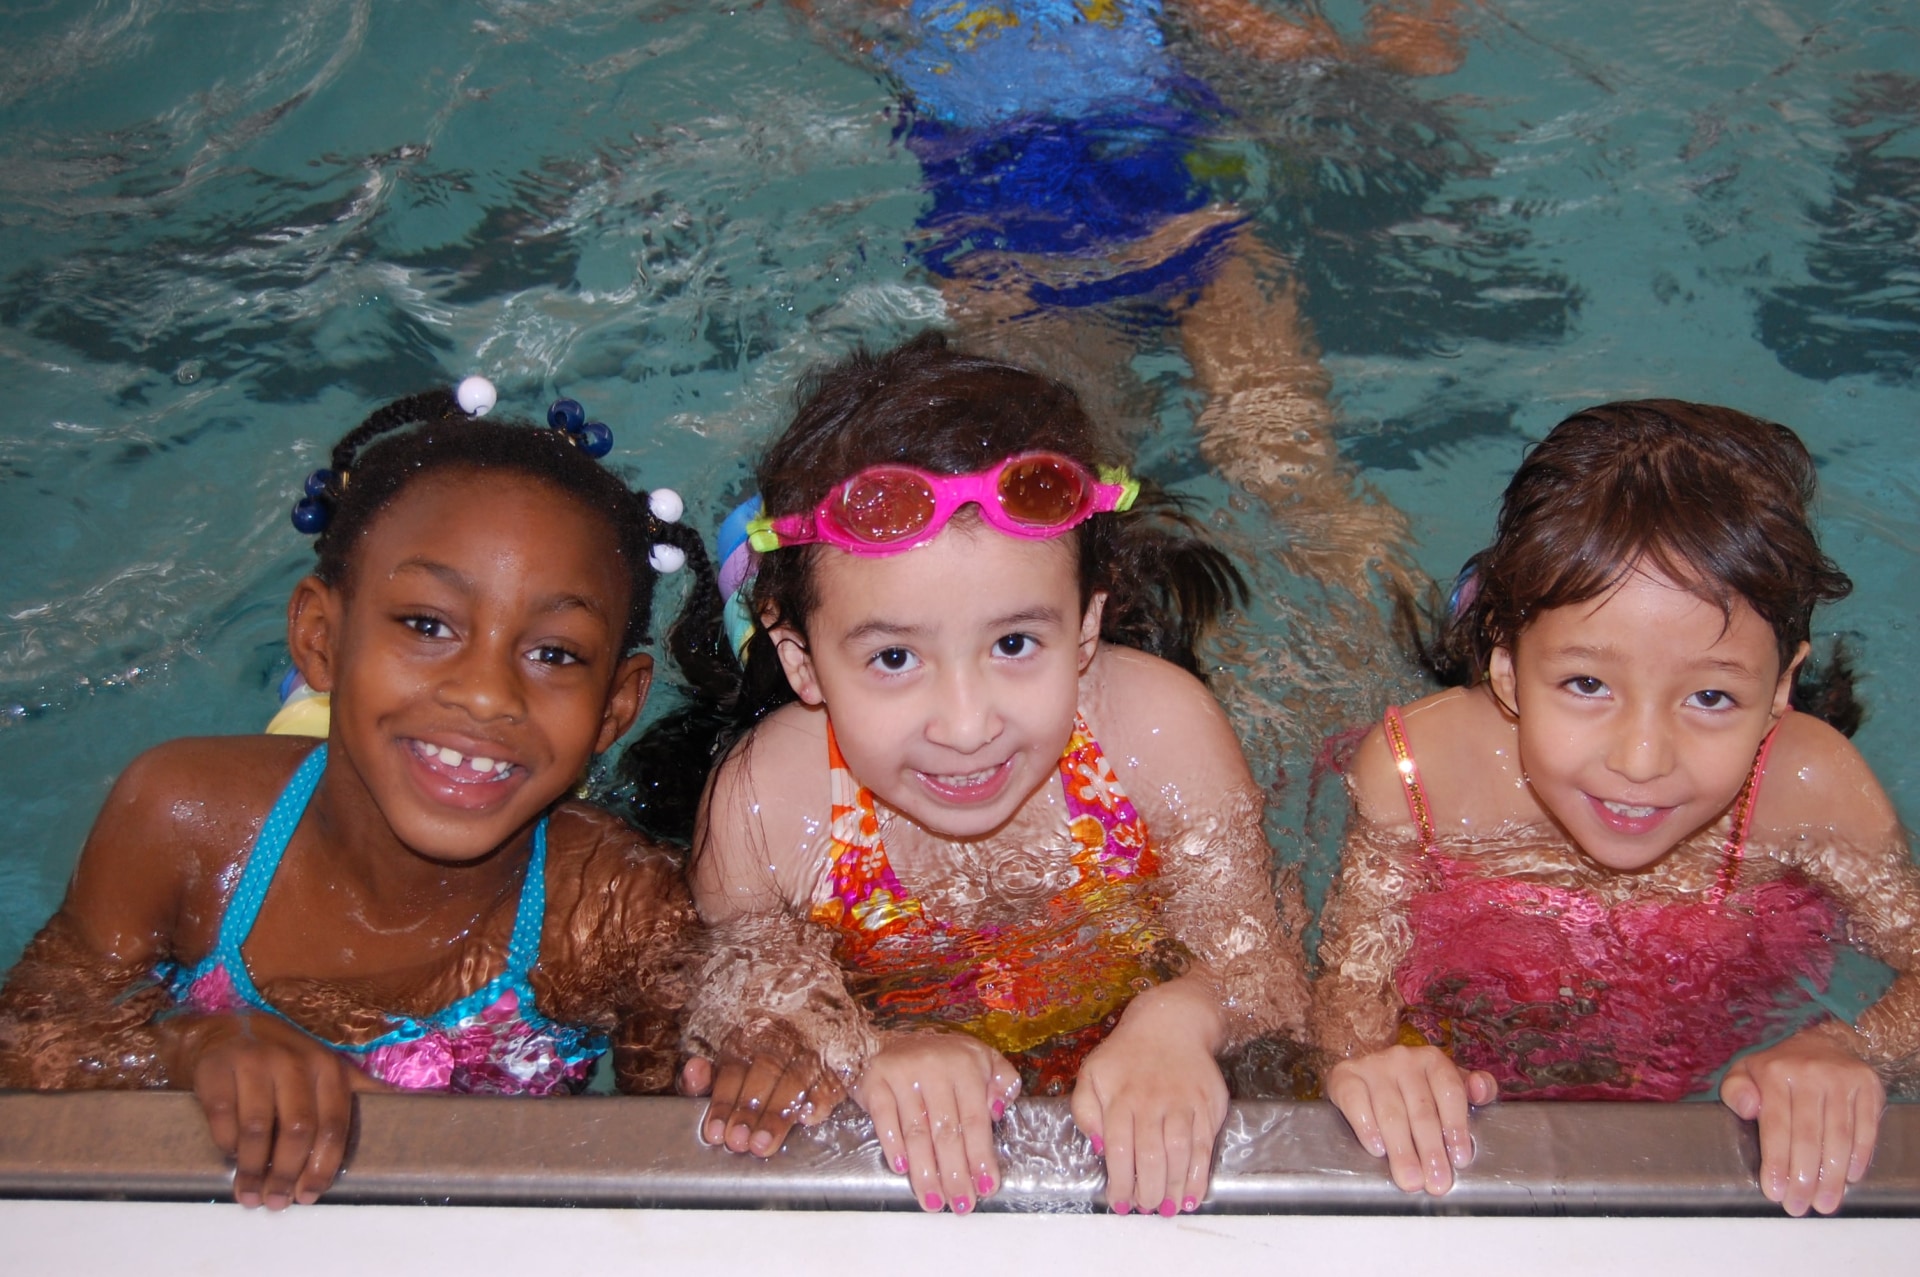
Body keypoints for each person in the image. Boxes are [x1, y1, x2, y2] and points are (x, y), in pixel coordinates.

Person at [640, 332, 1311, 1216]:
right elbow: (733, 1019)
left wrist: (1182, 1015)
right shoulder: (771, 802)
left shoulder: (1160, 730)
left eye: (1014, 643)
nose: (966, 724)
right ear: (800, 660)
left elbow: (1270, 975)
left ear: (1085, 627)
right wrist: (869, 1049)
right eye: (891, 658)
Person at [0, 381, 709, 1209]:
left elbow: (680, 1160)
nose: (486, 694)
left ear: (616, 707)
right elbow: (29, 1042)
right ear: (320, 637)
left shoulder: (614, 909)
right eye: (426, 623)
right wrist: (181, 1051)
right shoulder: (183, 820)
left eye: (554, 653)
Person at [1310, 400, 1920, 1217]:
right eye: (1586, 684)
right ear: (1505, 667)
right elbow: (1350, 991)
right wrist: (1373, 1056)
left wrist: (1849, 1046)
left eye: (1711, 695)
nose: (1641, 761)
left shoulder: (1809, 789)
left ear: (1780, 686)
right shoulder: (1420, 778)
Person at [788, 0, 1470, 602]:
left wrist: (1400, 41)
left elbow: (1307, 60)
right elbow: (1303, 62)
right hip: (1070, 252)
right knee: (1090, 505)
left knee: (1275, 477)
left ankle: (1364, 619)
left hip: (1102, 243)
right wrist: (1388, 48)